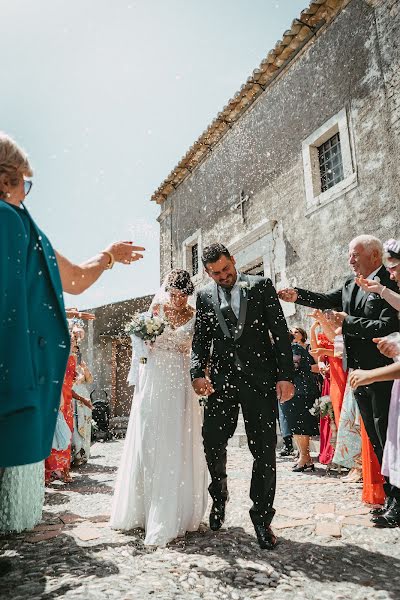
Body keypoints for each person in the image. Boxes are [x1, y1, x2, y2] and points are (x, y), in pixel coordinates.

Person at [0, 132, 144, 543]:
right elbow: (77, 280)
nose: (25, 195)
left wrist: (109, 256)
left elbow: (77, 280)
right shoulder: (14, 223)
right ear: (7, 177)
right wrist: (110, 256)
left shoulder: (23, 226)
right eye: (23, 184)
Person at [278, 235, 399, 523]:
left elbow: (389, 325)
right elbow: (323, 299)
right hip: (357, 374)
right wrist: (298, 295)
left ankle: (397, 501)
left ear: (374, 255)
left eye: (355, 254)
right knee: (375, 435)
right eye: (349, 254)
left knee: (388, 437)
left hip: (383, 373)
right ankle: (389, 498)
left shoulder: (389, 282)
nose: (350, 259)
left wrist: (347, 322)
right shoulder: (348, 284)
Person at [190, 243, 294, 550]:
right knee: (212, 442)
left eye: (226, 269)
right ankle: (219, 496)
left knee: (263, 449)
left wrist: (285, 376)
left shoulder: (261, 286)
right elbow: (200, 340)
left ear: (234, 261)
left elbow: (280, 331)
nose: (224, 276)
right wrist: (197, 373)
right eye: (216, 273)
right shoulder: (205, 296)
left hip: (260, 382)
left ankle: (261, 518)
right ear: (208, 273)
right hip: (221, 384)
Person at [110, 269, 208, 546]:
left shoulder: (194, 316)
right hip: (154, 376)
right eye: (173, 295)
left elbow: (196, 349)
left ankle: (179, 510)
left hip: (180, 376)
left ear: (189, 294)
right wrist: (145, 344)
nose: (177, 300)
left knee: (178, 437)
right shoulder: (155, 310)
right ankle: (145, 510)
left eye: (182, 295)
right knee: (151, 436)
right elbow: (139, 346)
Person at [349, 238, 400, 527]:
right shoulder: (385, 287)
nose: (390, 275)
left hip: (384, 377)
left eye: (393, 269)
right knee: (389, 443)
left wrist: (369, 374)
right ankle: (395, 499)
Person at [279, 335, 319, 472]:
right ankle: (305, 458)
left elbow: (293, 367)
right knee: (294, 426)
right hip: (294, 392)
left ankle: (305, 458)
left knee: (300, 426)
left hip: (300, 392)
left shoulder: (293, 349)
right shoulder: (287, 349)